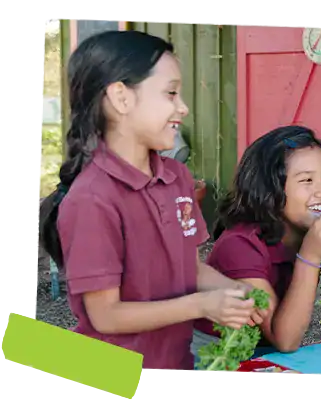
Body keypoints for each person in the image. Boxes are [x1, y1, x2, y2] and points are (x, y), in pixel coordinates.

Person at [36, 30, 263, 376]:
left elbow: (190, 268)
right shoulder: (92, 198)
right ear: (121, 98)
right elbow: (106, 315)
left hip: (174, 368)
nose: (183, 107)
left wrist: (237, 293)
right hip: (109, 376)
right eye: (171, 93)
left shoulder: (177, 177)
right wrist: (203, 304)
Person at [191, 126, 321, 357]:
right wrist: (309, 256)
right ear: (271, 189)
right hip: (216, 354)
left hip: (270, 352)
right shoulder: (240, 245)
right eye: (307, 180)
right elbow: (285, 340)